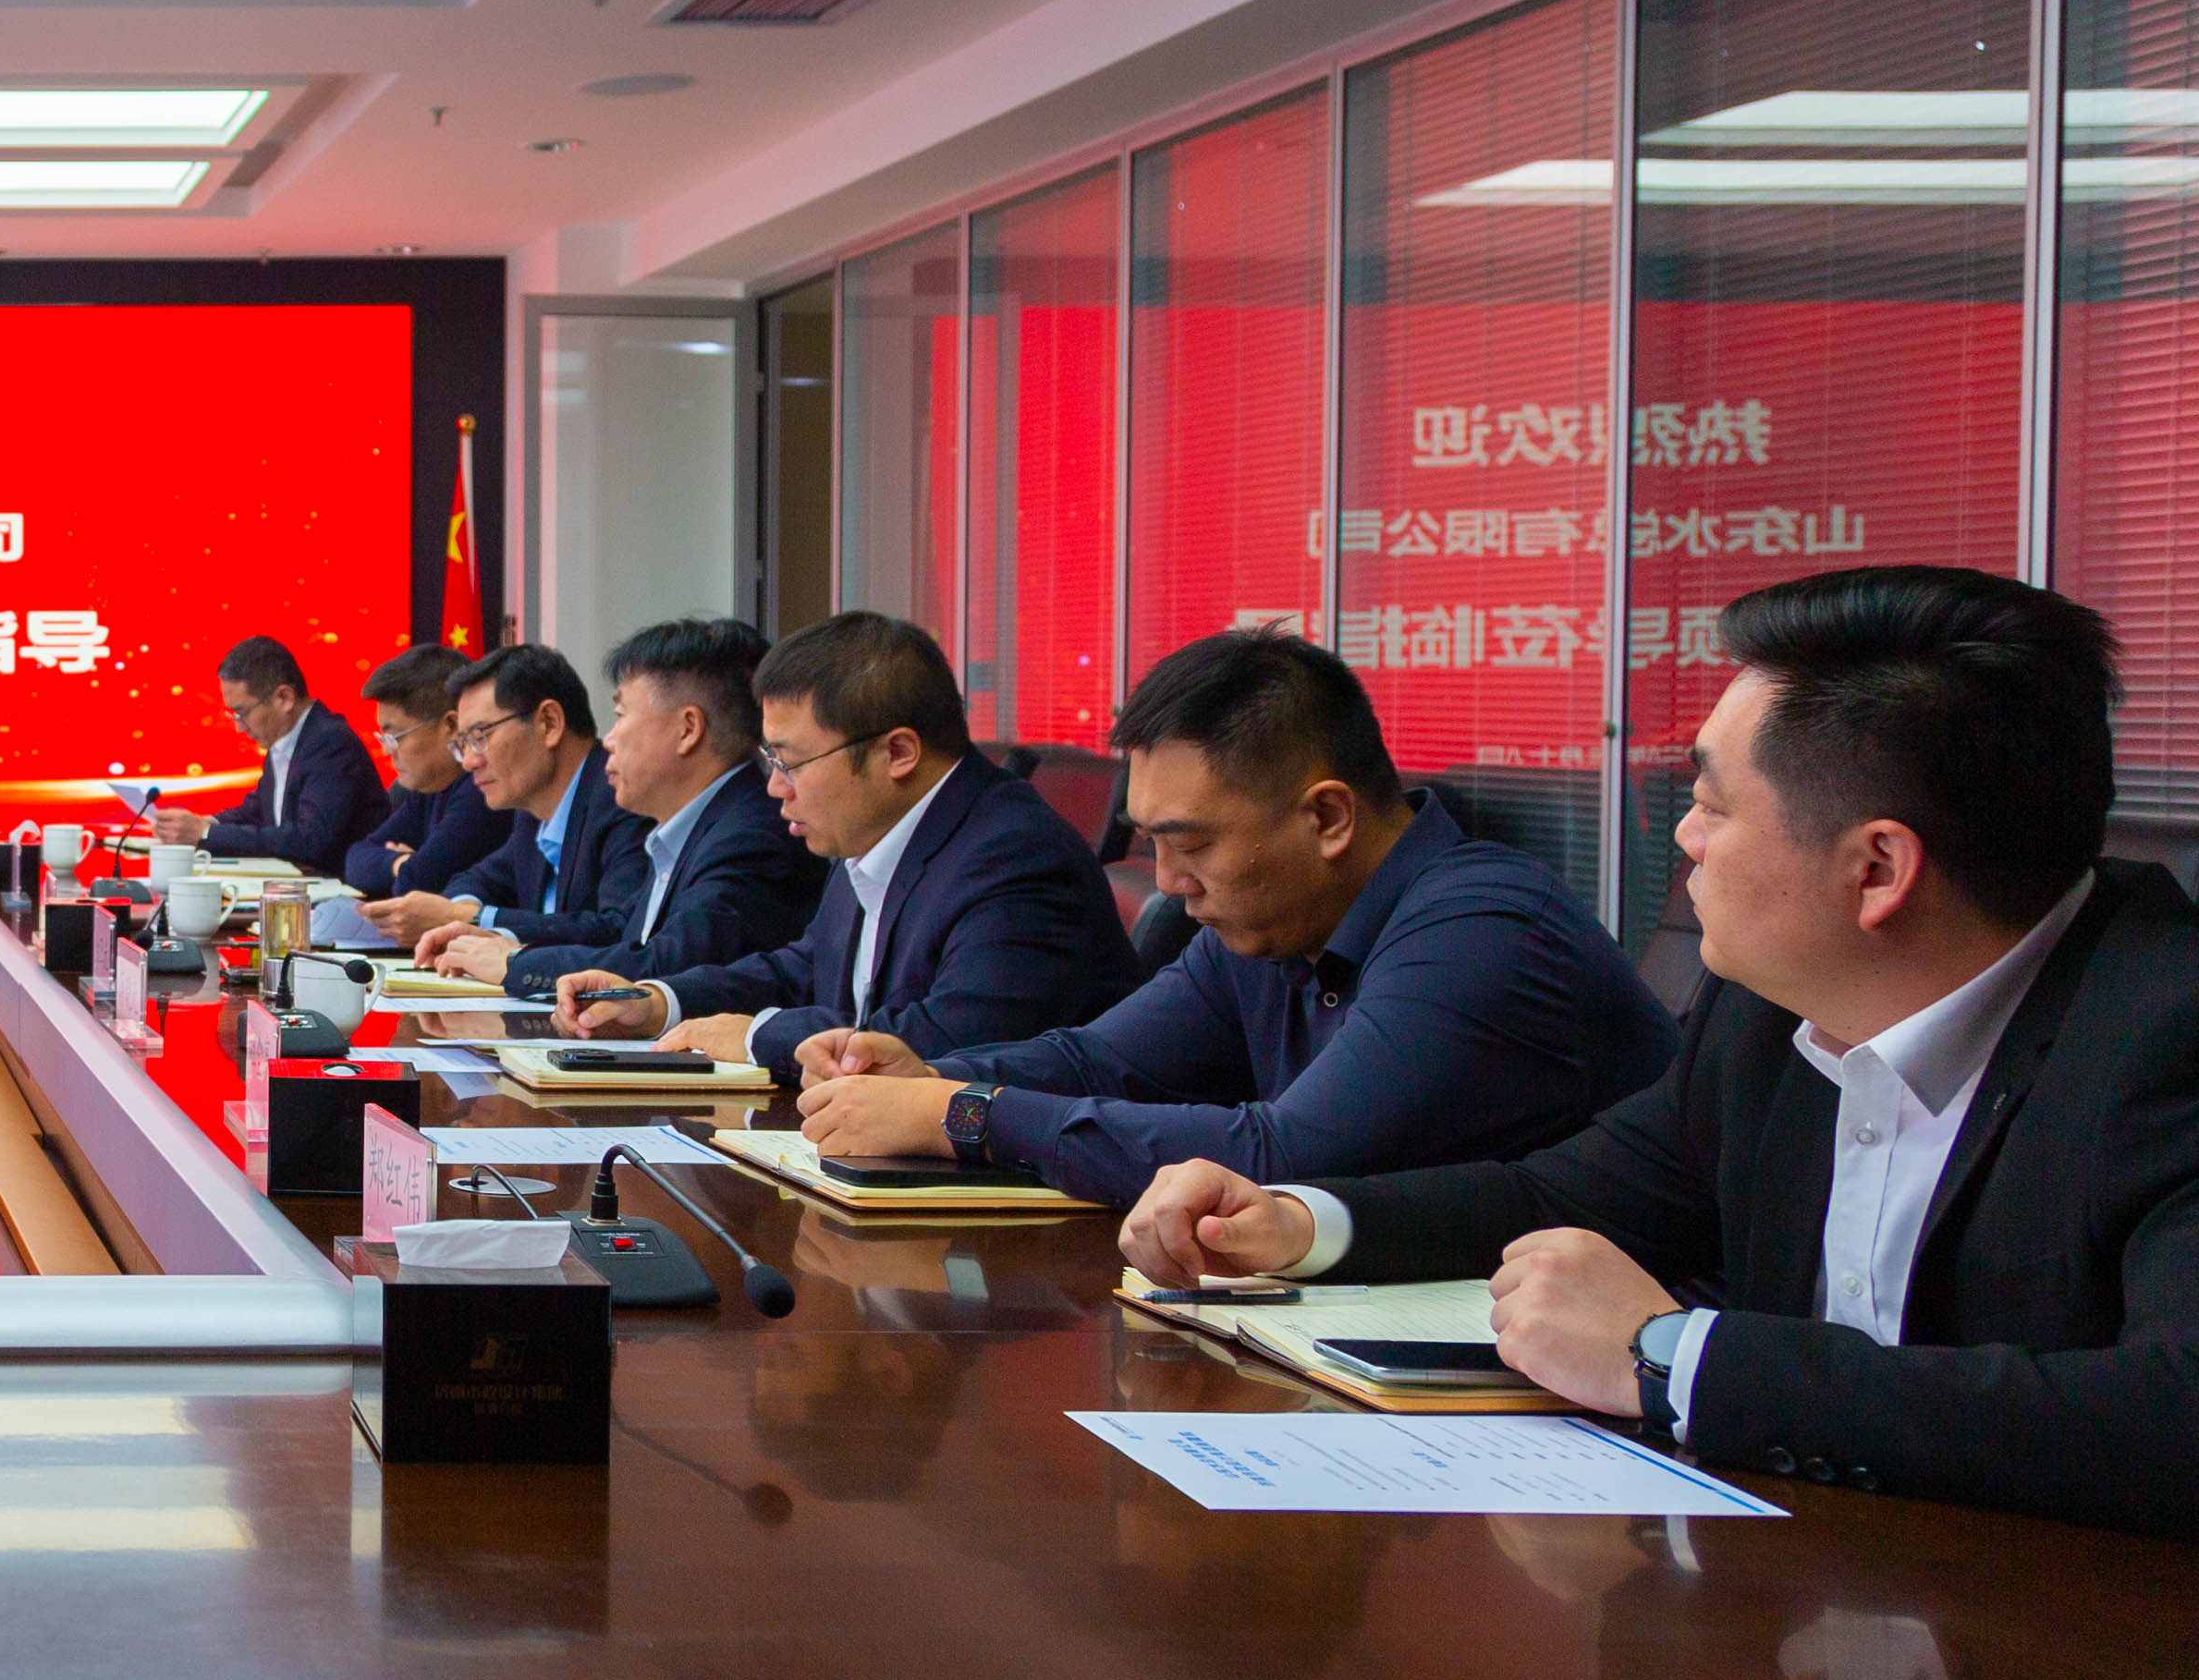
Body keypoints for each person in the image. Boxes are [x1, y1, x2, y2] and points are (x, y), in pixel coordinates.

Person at [1124, 567, 2199, 1540]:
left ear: (1877, 870)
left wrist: (1672, 1357)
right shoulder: (1769, 1009)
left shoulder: (2165, 1033)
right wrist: (1302, 1223)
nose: (1683, 838)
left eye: (1712, 804)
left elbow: (2169, 1415)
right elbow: (1570, 1193)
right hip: (1811, 1593)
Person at [790, 627, 1674, 1199]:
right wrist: (927, 1074)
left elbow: (1285, 1156)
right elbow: (1101, 1060)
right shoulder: (1273, 924)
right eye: (1149, 842)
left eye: (1192, 844)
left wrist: (962, 1112)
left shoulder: (1481, 928)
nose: (1168, 881)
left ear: (1328, 818)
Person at [556, 611, 1140, 1072]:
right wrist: (659, 1002)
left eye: (790, 762)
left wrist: (758, 1037)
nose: (775, 788)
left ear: (898, 753)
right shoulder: (875, 830)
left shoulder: (1016, 858)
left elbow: (947, 1041)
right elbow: (804, 967)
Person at [421, 618, 823, 1000]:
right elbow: (622, 938)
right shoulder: (695, 828)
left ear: (687, 729)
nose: (608, 740)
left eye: (620, 716)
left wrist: (515, 963)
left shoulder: (750, 836)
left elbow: (668, 965)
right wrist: (503, 942)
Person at [371, 644, 629, 956]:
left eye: (481, 736)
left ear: (549, 723)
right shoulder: (531, 811)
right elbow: (478, 880)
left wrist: (470, 919)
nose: (469, 761)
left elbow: (616, 931)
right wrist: (461, 911)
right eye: (463, 743)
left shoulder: (622, 799)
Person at [146, 636, 387, 880]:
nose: (239, 727)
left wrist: (206, 833)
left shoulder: (330, 742)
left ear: (284, 698)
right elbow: (260, 810)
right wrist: (203, 823)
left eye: (242, 712)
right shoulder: (286, 736)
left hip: (347, 893)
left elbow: (310, 841)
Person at [341, 645, 507, 900]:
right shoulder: (429, 786)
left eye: (395, 737)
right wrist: (401, 863)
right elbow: (355, 860)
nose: (387, 750)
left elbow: (418, 881)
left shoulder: (482, 789)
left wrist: (406, 867)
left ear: (451, 725)